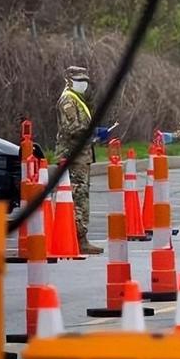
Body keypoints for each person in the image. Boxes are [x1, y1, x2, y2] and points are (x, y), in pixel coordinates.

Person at [55, 66, 111, 255]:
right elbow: (72, 129)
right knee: (78, 197)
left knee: (80, 195)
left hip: (80, 155)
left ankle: (77, 237)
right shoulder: (68, 100)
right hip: (74, 156)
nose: (83, 84)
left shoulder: (78, 100)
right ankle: (78, 238)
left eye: (85, 81)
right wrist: (93, 131)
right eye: (79, 81)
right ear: (69, 81)